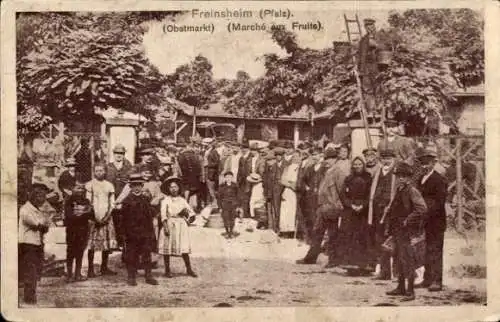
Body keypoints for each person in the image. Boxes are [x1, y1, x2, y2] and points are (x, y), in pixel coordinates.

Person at [385, 162, 428, 302]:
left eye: (404, 176)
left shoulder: (412, 191)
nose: (401, 178)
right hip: (397, 229)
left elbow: (421, 209)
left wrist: (408, 220)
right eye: (399, 176)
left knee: (408, 259)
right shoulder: (399, 190)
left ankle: (410, 291)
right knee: (398, 258)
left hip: (407, 231)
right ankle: (400, 287)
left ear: (409, 178)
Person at [296, 147, 345, 267]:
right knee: (317, 233)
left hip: (332, 208)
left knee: (333, 235)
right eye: (326, 158)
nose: (328, 161)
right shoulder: (325, 171)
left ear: (335, 159)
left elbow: (341, 192)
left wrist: (339, 207)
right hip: (322, 208)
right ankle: (310, 258)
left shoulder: (338, 173)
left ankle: (334, 260)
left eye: (331, 158)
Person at [415, 147, 448, 292]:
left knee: (435, 250)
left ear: (433, 163)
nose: (424, 166)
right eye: (422, 163)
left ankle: (436, 281)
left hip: (435, 221)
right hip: (424, 220)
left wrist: (424, 210)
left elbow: (439, 201)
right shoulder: (420, 179)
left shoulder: (439, 179)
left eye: (427, 163)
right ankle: (427, 279)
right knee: (426, 250)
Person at [336, 157, 374, 275]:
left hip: (363, 211)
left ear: (363, 165)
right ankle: (351, 266)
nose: (357, 166)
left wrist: (363, 205)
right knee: (350, 237)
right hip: (350, 211)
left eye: (359, 164)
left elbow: (370, 194)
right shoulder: (348, 178)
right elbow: (343, 195)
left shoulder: (369, 178)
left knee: (363, 237)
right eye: (355, 164)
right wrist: (350, 205)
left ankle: (363, 266)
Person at [120, 173, 158, 286]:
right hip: (131, 233)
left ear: (142, 186)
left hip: (145, 232)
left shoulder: (145, 199)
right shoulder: (127, 201)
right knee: (131, 255)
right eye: (134, 185)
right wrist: (124, 234)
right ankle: (131, 277)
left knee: (147, 254)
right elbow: (123, 220)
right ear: (130, 187)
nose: (137, 187)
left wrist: (151, 233)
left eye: (139, 185)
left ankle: (148, 275)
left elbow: (150, 216)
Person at [158, 176, 198, 278]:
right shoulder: (166, 200)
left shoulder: (182, 200)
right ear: (168, 189)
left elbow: (191, 213)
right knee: (167, 248)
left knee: (183, 247)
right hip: (170, 223)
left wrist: (189, 217)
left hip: (181, 225)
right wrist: (165, 226)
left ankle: (189, 269)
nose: (173, 189)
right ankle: (167, 270)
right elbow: (163, 214)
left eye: (175, 187)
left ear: (179, 188)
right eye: (171, 187)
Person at [18, 183, 51, 304]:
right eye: (40, 197)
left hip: (37, 243)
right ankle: (29, 297)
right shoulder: (25, 210)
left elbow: (45, 226)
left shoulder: (37, 210)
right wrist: (43, 225)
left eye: (43, 197)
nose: (43, 200)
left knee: (36, 271)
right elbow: (40, 225)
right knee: (30, 272)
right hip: (28, 244)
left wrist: (43, 225)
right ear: (33, 196)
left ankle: (31, 295)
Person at [368, 148, 398, 280]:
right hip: (377, 211)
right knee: (380, 240)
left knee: (393, 240)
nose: (386, 161)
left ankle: (397, 272)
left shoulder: (396, 174)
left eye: (389, 159)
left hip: (391, 212)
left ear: (393, 160)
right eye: (384, 159)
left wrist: (391, 207)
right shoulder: (378, 172)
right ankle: (384, 272)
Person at [85, 163, 116, 277]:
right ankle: (90, 269)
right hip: (94, 218)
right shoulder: (90, 185)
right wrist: (95, 218)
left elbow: (112, 203)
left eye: (101, 170)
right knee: (91, 244)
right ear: (94, 172)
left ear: (105, 172)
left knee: (106, 244)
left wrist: (106, 217)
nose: (99, 172)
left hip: (106, 218)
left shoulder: (109, 185)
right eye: (97, 170)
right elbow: (88, 203)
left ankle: (104, 267)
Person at [64, 182, 93, 283]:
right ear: (72, 189)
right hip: (72, 229)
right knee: (70, 251)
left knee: (80, 251)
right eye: (77, 188)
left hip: (83, 229)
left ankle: (77, 273)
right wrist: (83, 214)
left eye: (82, 188)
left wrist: (80, 214)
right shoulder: (68, 201)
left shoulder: (86, 201)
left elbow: (91, 214)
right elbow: (69, 216)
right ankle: (69, 274)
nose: (80, 190)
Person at [106, 144, 133, 252]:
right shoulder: (109, 167)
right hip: (111, 198)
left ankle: (123, 243)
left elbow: (131, 184)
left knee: (124, 221)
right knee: (112, 220)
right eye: (117, 153)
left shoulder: (129, 167)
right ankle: (113, 243)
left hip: (124, 198)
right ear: (113, 154)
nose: (119, 155)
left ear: (124, 154)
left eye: (121, 153)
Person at [279, 151, 301, 237]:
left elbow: (298, 182)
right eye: (293, 156)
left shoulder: (300, 168)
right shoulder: (287, 168)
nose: (295, 158)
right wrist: (290, 184)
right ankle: (284, 230)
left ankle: (292, 231)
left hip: (295, 193)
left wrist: (292, 184)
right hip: (287, 191)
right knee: (285, 211)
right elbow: (282, 180)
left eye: (297, 156)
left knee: (293, 211)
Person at [178, 138, 203, 212]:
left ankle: (185, 204)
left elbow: (180, 165)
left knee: (187, 189)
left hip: (185, 175)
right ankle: (193, 206)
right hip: (194, 175)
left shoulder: (181, 155)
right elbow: (198, 166)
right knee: (194, 190)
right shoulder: (195, 155)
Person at [266, 147, 287, 232]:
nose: (278, 157)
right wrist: (269, 193)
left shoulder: (287, 165)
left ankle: (284, 228)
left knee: (285, 209)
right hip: (275, 191)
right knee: (276, 209)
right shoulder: (273, 166)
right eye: (277, 156)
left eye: (280, 155)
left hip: (284, 189)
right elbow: (270, 180)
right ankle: (277, 227)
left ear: (282, 156)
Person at [217, 171, 240, 238]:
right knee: (225, 219)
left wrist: (238, 206)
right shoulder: (221, 186)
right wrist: (220, 207)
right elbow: (219, 198)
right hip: (225, 205)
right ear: (225, 178)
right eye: (227, 177)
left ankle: (231, 232)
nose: (228, 178)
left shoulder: (235, 186)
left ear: (232, 178)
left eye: (230, 177)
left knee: (232, 219)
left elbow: (238, 196)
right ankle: (227, 232)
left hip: (233, 205)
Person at [206, 139, 221, 207]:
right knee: (210, 190)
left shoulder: (214, 152)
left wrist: (208, 165)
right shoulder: (210, 152)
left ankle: (215, 204)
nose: (207, 145)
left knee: (211, 190)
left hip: (212, 174)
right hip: (210, 173)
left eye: (208, 144)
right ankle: (212, 205)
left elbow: (217, 163)